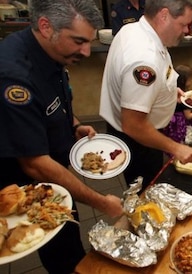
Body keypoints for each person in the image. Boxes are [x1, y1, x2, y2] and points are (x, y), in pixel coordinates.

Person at [0, 0, 123, 273]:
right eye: (79, 41)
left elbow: (51, 102)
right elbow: (34, 163)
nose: (87, 51)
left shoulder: (51, 52)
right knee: (62, 254)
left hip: (47, 170)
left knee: (67, 243)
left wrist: (73, 123)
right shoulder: (14, 77)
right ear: (46, 27)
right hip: (22, 184)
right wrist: (102, 202)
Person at [100, 0, 192, 188]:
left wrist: (167, 92)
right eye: (184, 24)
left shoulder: (134, 29)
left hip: (137, 133)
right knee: (145, 193)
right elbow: (134, 125)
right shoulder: (145, 58)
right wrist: (175, 147)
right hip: (140, 140)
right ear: (164, 16)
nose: (186, 31)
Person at [163, 64, 192, 143]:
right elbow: (188, 116)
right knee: (181, 141)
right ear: (185, 81)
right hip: (179, 123)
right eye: (190, 79)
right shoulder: (185, 96)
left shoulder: (172, 90)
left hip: (171, 120)